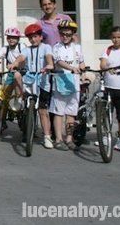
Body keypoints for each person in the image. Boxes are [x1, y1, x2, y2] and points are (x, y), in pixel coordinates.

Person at [10, 24, 56, 148]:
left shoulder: (46, 47)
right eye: (30, 37)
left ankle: (47, 136)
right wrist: (14, 63)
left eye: (35, 36)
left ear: (41, 37)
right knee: (26, 106)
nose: (33, 39)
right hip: (29, 81)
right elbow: (21, 58)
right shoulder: (27, 49)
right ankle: (27, 128)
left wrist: (49, 65)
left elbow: (49, 58)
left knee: (43, 110)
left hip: (42, 81)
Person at [51, 20, 85, 150]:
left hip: (74, 84)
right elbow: (59, 62)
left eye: (68, 34)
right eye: (63, 34)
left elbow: (81, 62)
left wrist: (84, 73)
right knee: (59, 112)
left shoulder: (77, 48)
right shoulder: (56, 47)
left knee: (71, 113)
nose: (65, 37)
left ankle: (69, 139)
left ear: (73, 35)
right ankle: (59, 139)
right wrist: (71, 68)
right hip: (60, 81)